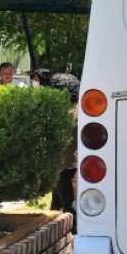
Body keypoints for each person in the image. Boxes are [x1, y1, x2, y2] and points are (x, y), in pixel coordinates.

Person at [49, 72, 80, 233]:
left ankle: (72, 228)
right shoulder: (79, 107)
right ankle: (60, 222)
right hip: (75, 159)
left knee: (66, 197)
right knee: (60, 194)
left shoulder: (63, 110)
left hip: (66, 161)